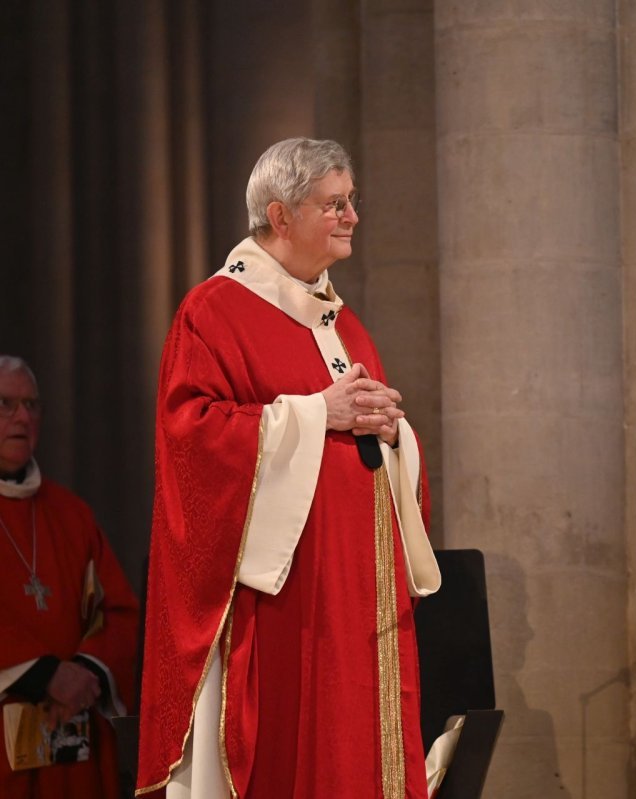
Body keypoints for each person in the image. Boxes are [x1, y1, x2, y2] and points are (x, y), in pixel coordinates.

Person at [137, 138, 440, 799]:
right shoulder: (214, 312)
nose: (352, 216)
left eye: (352, 201)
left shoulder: (345, 327)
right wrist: (311, 416)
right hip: (282, 607)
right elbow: (190, 440)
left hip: (359, 600)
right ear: (280, 217)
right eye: (334, 204)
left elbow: (371, 451)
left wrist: (395, 434)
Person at [0, 355, 139, 798]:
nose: (22, 416)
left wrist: (85, 670)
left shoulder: (71, 515)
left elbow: (118, 611)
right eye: (5, 404)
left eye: (31, 404)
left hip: (73, 745)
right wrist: (42, 674)